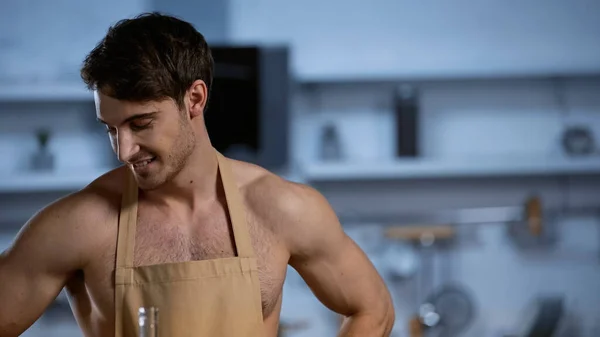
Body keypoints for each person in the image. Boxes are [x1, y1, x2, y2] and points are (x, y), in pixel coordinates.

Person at [0, 12, 395, 337]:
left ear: (195, 99)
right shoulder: (79, 224)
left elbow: (372, 310)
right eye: (110, 128)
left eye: (141, 123)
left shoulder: (280, 208)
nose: (124, 150)